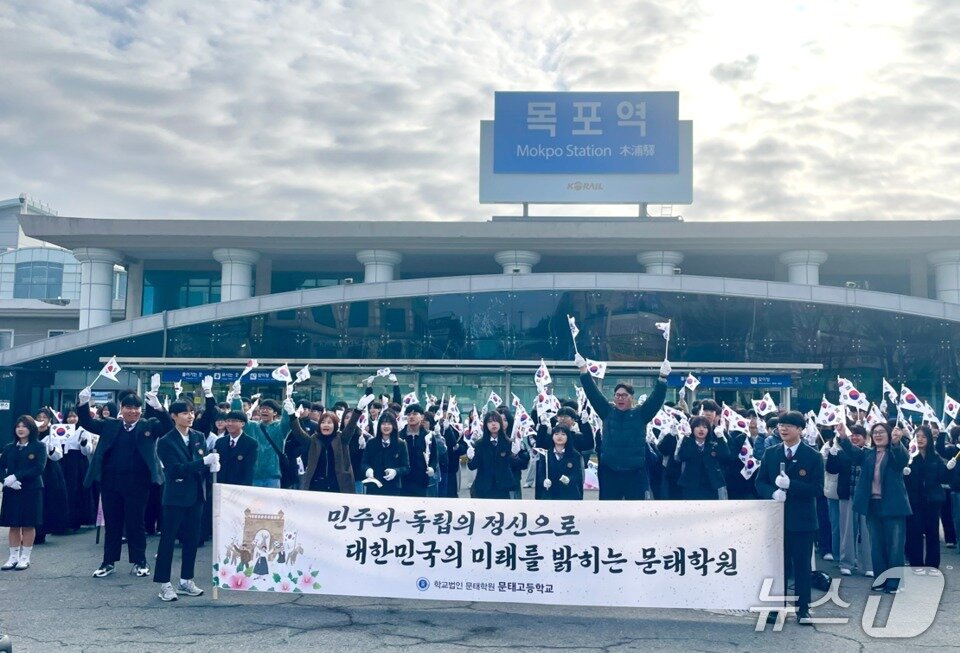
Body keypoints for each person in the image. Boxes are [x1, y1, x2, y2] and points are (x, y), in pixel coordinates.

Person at [78, 387, 168, 579]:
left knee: (136, 523)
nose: (133, 411)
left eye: (137, 408)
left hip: (138, 483)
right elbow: (87, 422)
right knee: (112, 523)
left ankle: (140, 561)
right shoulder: (111, 425)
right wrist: (83, 403)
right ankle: (108, 562)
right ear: (121, 408)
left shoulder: (148, 425)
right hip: (111, 482)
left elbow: (168, 428)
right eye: (128, 407)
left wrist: (160, 409)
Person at [755, 410, 825, 625]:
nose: (783, 429)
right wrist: (771, 493)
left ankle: (803, 609)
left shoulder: (813, 456)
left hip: (802, 521)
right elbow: (760, 482)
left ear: (800, 430)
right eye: (781, 425)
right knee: (779, 566)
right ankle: (777, 607)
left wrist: (791, 485)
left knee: (802, 566)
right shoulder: (771, 453)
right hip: (777, 520)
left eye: (789, 425)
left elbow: (817, 489)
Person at [577, 354, 670, 500]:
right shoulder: (606, 411)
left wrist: (662, 378)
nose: (620, 398)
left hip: (635, 472)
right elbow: (593, 393)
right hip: (610, 471)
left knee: (634, 511)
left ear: (631, 397)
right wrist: (583, 370)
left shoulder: (641, 414)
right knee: (609, 511)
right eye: (617, 395)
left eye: (624, 395)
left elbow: (656, 399)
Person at [153, 400, 220, 602]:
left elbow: (202, 462)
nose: (190, 416)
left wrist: (212, 466)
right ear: (173, 416)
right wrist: (203, 462)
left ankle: (186, 580)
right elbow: (174, 470)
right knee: (168, 540)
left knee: (192, 539)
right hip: (175, 497)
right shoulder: (166, 441)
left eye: (192, 412)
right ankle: (164, 583)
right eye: (184, 413)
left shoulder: (198, 436)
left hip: (197, 495)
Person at [837, 421, 910, 593]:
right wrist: (842, 436)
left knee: (895, 545)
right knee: (876, 544)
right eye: (875, 432)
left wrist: (897, 442)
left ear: (889, 434)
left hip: (893, 506)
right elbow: (853, 452)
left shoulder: (895, 453)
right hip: (872, 505)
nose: (877, 435)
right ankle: (880, 579)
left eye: (881, 432)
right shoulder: (868, 454)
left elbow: (902, 459)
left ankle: (894, 583)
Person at [1, 416, 48, 570]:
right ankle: (13, 557)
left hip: (31, 489)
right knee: (13, 525)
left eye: (24, 426)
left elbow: (38, 468)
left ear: (31, 429)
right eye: (18, 426)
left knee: (28, 524)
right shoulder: (9, 447)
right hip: (12, 490)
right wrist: (7, 480)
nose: (20, 429)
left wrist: (17, 476)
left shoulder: (39, 446)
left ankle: (25, 557)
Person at [287, 398, 356, 494]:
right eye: (323, 422)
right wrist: (292, 416)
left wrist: (358, 410)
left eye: (329, 422)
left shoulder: (342, 438)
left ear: (335, 425)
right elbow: (299, 433)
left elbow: (351, 426)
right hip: (316, 486)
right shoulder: (314, 440)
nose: (325, 425)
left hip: (338, 486)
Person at [903, 425, 947, 573]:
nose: (920, 439)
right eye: (918, 436)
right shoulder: (909, 456)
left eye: (923, 436)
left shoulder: (935, 457)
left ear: (929, 439)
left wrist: (949, 468)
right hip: (914, 501)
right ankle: (916, 564)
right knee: (914, 533)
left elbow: (942, 477)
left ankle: (933, 565)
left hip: (932, 501)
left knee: (932, 534)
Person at [467, 412, 524, 500]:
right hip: (483, 488)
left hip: (503, 488)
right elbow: (472, 466)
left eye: (496, 421)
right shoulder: (480, 444)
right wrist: (470, 458)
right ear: (486, 425)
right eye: (490, 422)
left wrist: (515, 454)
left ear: (500, 424)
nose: (493, 424)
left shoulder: (508, 443)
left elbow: (518, 465)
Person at [677, 416, 732, 500]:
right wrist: (687, 437)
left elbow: (726, 455)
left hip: (710, 486)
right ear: (692, 429)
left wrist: (720, 437)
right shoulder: (688, 442)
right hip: (690, 485)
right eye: (698, 426)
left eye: (705, 427)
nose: (701, 429)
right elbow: (682, 456)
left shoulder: (713, 445)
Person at [360, 412, 409, 496]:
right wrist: (368, 469)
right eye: (383, 423)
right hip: (374, 487)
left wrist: (395, 471)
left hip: (393, 488)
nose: (386, 426)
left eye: (389, 424)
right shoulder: (371, 443)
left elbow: (406, 467)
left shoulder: (401, 444)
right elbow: (364, 463)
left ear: (394, 426)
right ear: (379, 426)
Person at [399, 404, 440, 498]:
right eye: (408, 414)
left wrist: (432, 468)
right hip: (402, 481)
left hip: (421, 481)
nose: (411, 416)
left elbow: (434, 457)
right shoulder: (399, 436)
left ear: (422, 417)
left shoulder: (428, 436)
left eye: (415, 414)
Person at [535, 425, 584, 500]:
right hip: (550, 495)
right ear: (552, 436)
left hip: (569, 495)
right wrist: (543, 481)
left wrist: (569, 479)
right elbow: (541, 474)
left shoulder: (575, 455)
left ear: (568, 437)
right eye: (556, 434)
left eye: (563, 434)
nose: (559, 436)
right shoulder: (546, 454)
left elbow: (578, 475)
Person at [213, 411, 258, 486]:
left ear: (242, 423)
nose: (230, 424)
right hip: (221, 487)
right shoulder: (220, 442)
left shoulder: (251, 443)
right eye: (227, 421)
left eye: (233, 421)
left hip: (240, 487)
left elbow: (250, 470)